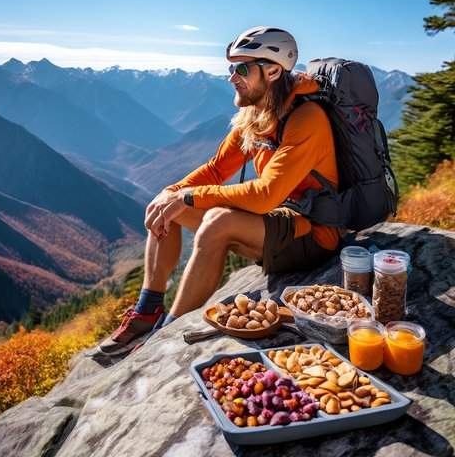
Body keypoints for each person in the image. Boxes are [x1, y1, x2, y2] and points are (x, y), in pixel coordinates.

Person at [98, 26, 339, 355]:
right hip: (276, 222)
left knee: (216, 223)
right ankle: (147, 309)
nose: (231, 78)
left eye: (241, 69)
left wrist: (187, 196)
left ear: (272, 71)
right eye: (231, 68)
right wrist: (173, 192)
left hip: (313, 234)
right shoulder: (256, 115)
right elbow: (216, 169)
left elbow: (265, 194)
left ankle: (166, 335)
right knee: (166, 202)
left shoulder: (307, 119)